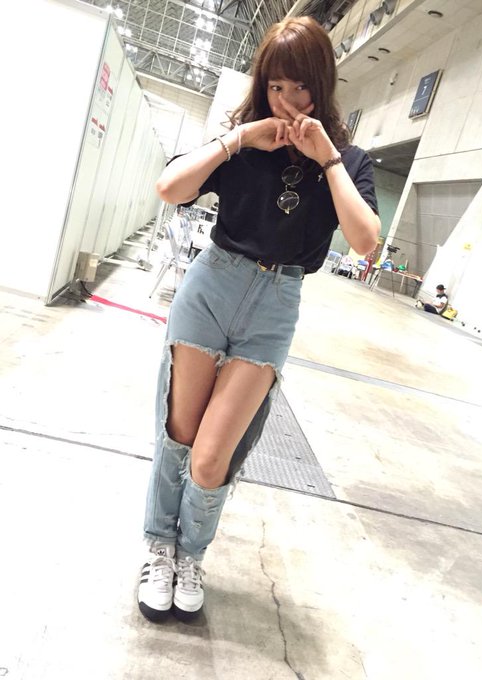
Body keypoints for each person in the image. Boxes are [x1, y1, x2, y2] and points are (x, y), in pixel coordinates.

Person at [138, 16, 381, 624]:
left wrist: (328, 160)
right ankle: (159, 550)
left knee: (211, 457)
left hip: (276, 304)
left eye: (301, 88)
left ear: (321, 87)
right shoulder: (243, 141)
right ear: (262, 85)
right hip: (212, 285)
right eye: (276, 87)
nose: (288, 101)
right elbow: (169, 188)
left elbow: (365, 241)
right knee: (179, 435)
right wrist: (239, 139)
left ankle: (191, 556)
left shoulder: (348, 160)